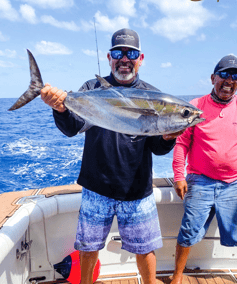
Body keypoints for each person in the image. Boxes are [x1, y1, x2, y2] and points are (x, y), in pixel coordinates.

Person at [40, 28, 182, 284]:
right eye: (118, 52)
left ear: (141, 59)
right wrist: (60, 108)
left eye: (131, 53)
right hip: (96, 186)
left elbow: (157, 148)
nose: (124, 59)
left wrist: (168, 136)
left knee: (145, 249)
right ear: (109, 57)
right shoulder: (92, 88)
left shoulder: (154, 96)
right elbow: (71, 128)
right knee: (88, 248)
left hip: (137, 189)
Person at [171, 55, 237, 284]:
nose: (229, 80)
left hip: (235, 183)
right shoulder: (195, 106)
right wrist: (178, 175)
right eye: (224, 74)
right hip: (199, 180)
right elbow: (181, 142)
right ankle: (176, 277)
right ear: (213, 77)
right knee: (188, 231)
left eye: (235, 76)